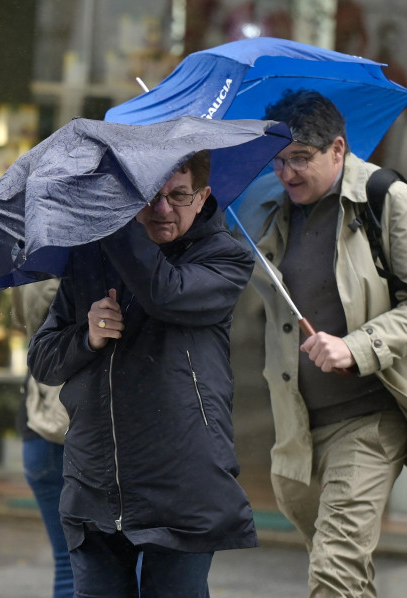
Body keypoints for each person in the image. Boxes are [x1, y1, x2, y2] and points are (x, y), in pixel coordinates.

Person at [28, 151, 258, 598]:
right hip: (97, 484)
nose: (162, 209)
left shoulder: (224, 259)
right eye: (149, 196)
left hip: (182, 486)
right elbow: (43, 359)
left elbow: (164, 292)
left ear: (203, 196)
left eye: (178, 195)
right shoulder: (92, 256)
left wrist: (112, 223)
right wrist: (86, 337)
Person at [237, 89, 407, 597]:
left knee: (333, 571)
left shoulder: (384, 197)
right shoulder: (269, 207)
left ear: (338, 148)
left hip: (369, 419)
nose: (287, 173)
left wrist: (358, 346)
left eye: (301, 159)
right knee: (342, 574)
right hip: (296, 429)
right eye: (279, 161)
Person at [11, 278, 73, 598]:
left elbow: (20, 318)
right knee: (115, 564)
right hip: (74, 434)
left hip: (36, 426)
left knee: (68, 563)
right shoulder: (86, 268)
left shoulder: (30, 263)